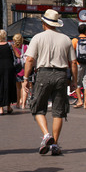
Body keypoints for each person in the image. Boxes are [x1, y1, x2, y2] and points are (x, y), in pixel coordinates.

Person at [22, 9, 77, 156]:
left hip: (43, 74)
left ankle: (46, 135)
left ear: (43, 23)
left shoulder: (37, 38)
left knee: (38, 108)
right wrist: (74, 81)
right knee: (59, 111)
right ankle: (55, 144)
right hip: (61, 75)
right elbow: (73, 62)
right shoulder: (66, 39)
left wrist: (26, 79)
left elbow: (30, 59)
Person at [0, 29, 17, 115]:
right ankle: (9, 107)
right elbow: (18, 55)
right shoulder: (10, 45)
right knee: (9, 85)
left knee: (0, 85)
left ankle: (1, 108)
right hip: (9, 67)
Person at [72, 24, 86, 109]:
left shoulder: (74, 41)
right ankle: (85, 104)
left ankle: (79, 101)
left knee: (77, 82)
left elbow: (72, 53)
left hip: (78, 64)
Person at [12, 33, 28, 109]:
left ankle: (18, 103)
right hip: (24, 68)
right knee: (24, 87)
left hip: (17, 69)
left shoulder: (13, 47)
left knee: (18, 87)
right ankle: (23, 104)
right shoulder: (25, 47)